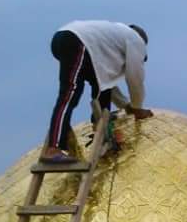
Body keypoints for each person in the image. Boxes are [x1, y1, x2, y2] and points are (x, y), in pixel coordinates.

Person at [43, 20, 153, 163]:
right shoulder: (135, 40)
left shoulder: (113, 38)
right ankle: (53, 148)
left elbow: (107, 83)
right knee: (70, 93)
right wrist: (137, 108)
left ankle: (100, 129)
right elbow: (135, 77)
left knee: (102, 89)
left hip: (70, 41)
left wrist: (126, 106)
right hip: (76, 41)